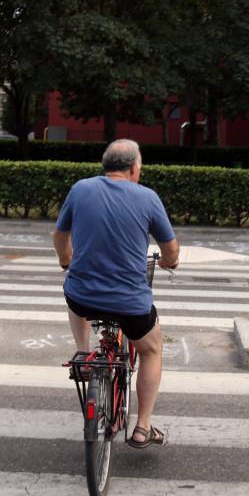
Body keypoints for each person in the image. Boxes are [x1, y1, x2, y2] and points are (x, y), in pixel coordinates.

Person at [53, 139, 179, 448]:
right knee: (151, 350)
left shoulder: (80, 189)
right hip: (130, 304)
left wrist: (65, 259)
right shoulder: (147, 197)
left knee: (73, 287)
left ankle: (83, 351)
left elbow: (59, 235)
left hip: (83, 295)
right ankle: (143, 427)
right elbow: (170, 248)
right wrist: (169, 262)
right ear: (135, 168)